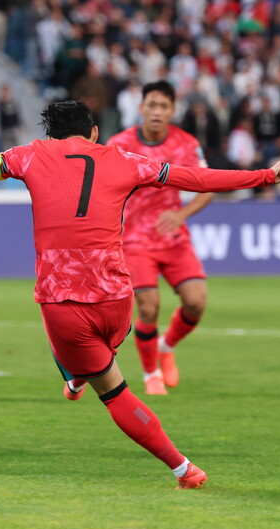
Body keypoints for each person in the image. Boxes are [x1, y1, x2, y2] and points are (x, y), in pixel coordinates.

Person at [0, 101, 280, 489]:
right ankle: (79, 377)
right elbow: (196, 179)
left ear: (50, 134)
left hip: (64, 306)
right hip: (117, 301)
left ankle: (184, 469)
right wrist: (263, 176)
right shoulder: (125, 160)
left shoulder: (26, 156)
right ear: (93, 133)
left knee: (110, 389)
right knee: (101, 357)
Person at [106, 80, 215, 395]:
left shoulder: (185, 143)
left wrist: (181, 214)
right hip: (135, 239)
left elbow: (207, 186)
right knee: (149, 307)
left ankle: (166, 346)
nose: (156, 111)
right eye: (151, 105)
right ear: (141, 108)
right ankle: (151, 372)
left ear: (172, 111)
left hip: (173, 236)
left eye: (163, 106)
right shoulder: (119, 144)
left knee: (196, 303)